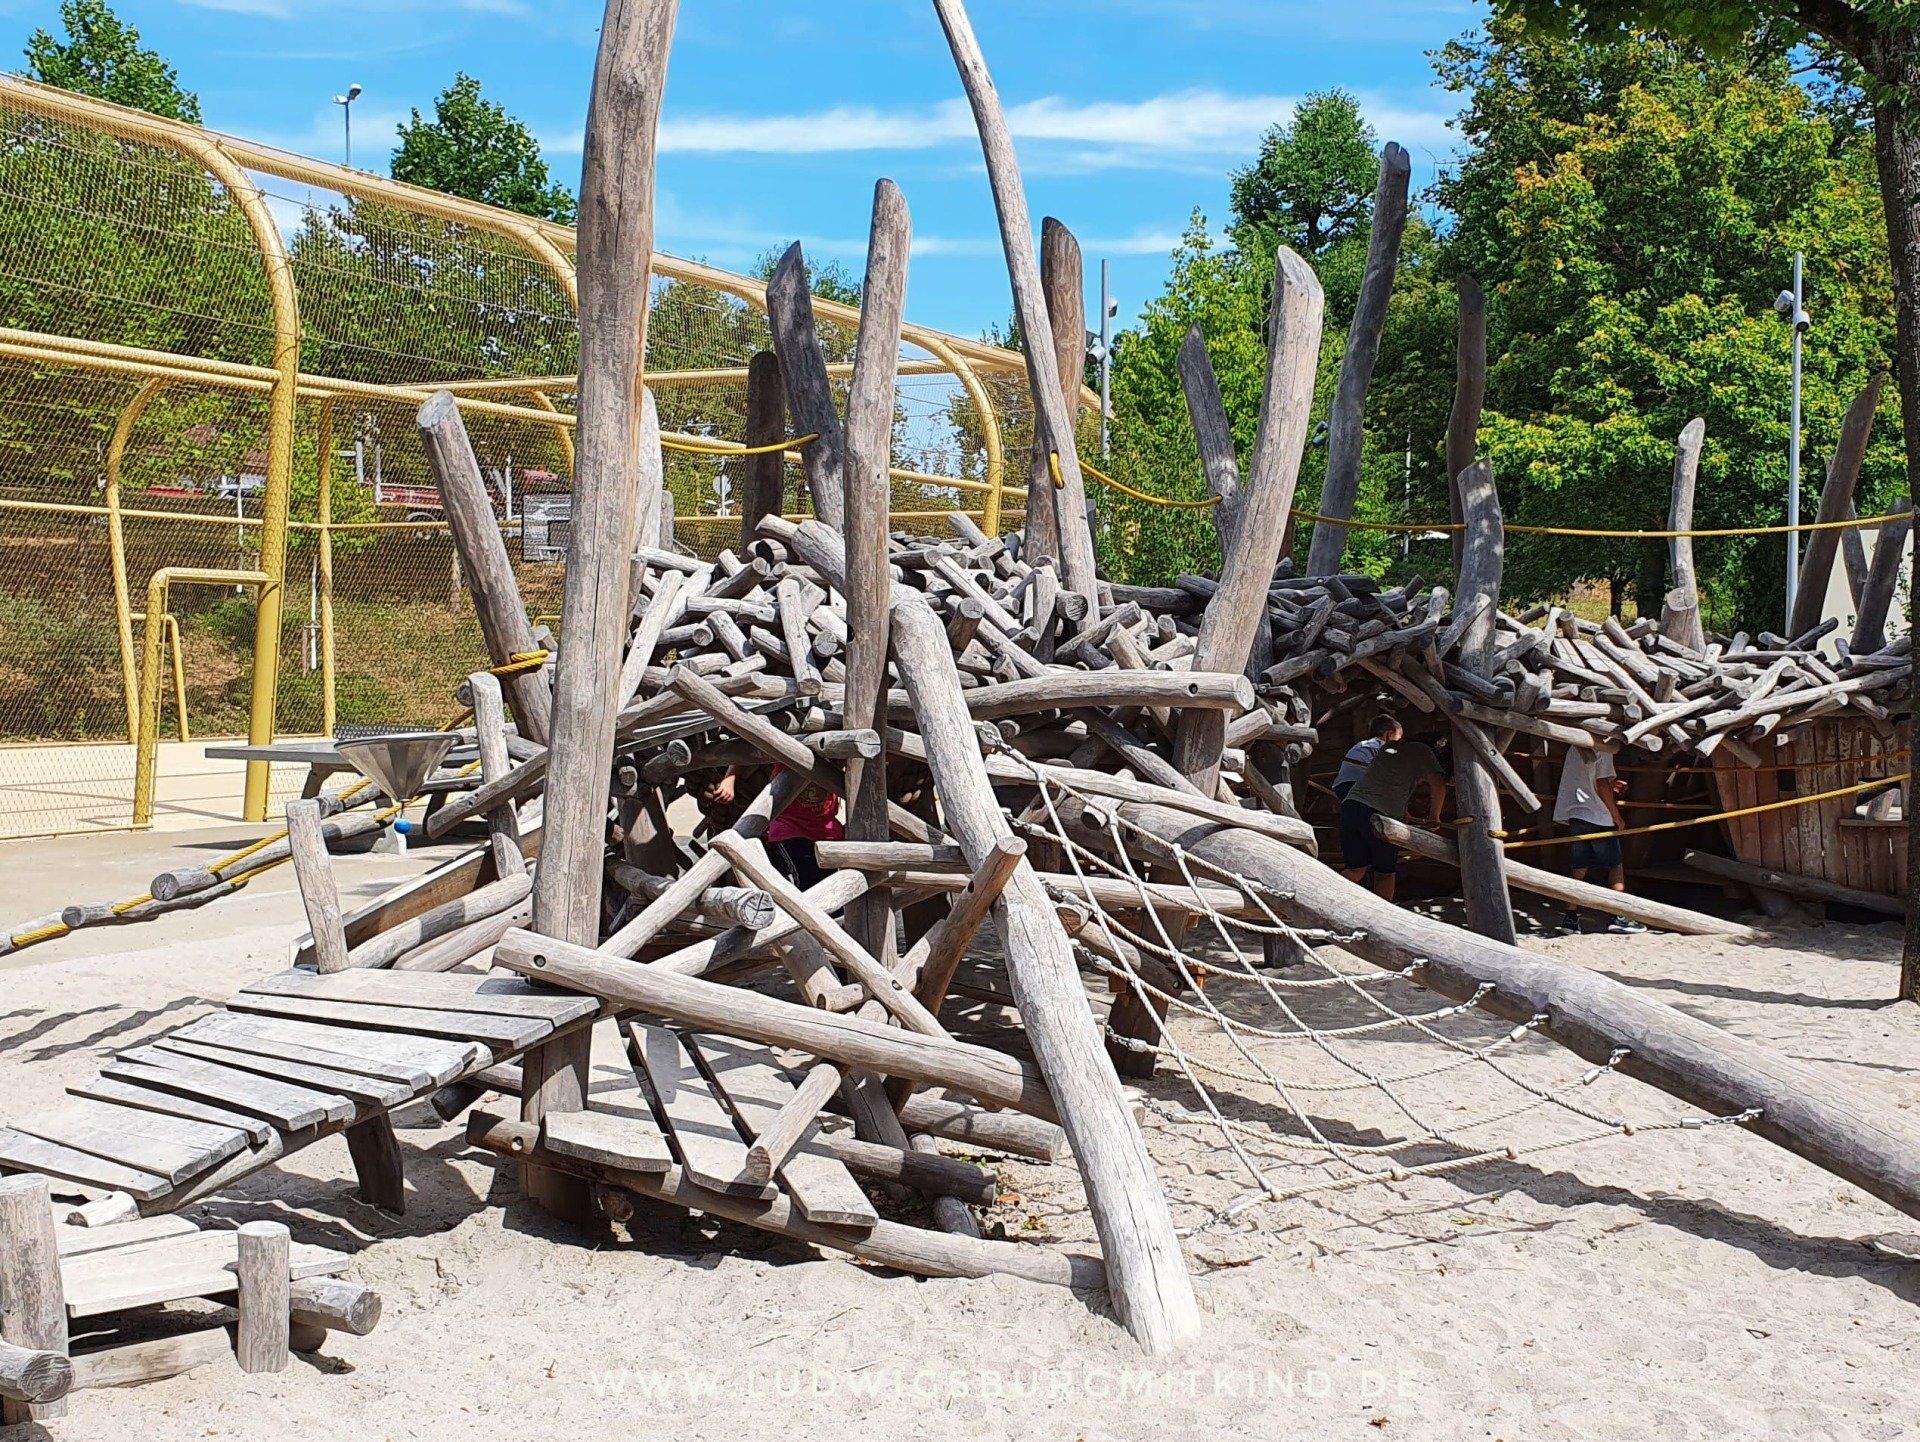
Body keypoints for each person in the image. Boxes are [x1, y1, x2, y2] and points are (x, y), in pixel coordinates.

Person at [1338, 727, 1446, 901]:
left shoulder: (1389, 749)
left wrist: (1404, 812)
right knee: (1385, 873)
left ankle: (1328, 902)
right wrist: (1434, 817)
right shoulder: (1423, 751)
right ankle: (1383, 918)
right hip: (1379, 817)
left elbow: (1388, 783)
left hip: (1352, 806)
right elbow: (1438, 784)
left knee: (1355, 869)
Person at [1554, 744, 1645, 935]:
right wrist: (1616, 816)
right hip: (1598, 817)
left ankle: (1570, 918)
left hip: (1577, 815)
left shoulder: (1573, 746)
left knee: (1579, 868)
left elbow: (1588, 780)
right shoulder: (1604, 746)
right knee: (1615, 866)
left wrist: (1611, 786)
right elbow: (1601, 783)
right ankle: (1619, 916)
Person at [710, 765, 842, 890]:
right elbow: (752, 746)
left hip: (826, 831)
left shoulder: (834, 760)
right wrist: (729, 778)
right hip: (790, 829)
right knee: (806, 878)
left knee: (831, 883)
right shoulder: (791, 750)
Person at [1333, 714, 1401, 802]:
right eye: (1398, 736)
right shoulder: (1380, 746)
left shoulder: (1362, 745)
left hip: (1342, 786)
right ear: (1389, 734)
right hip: (1358, 786)